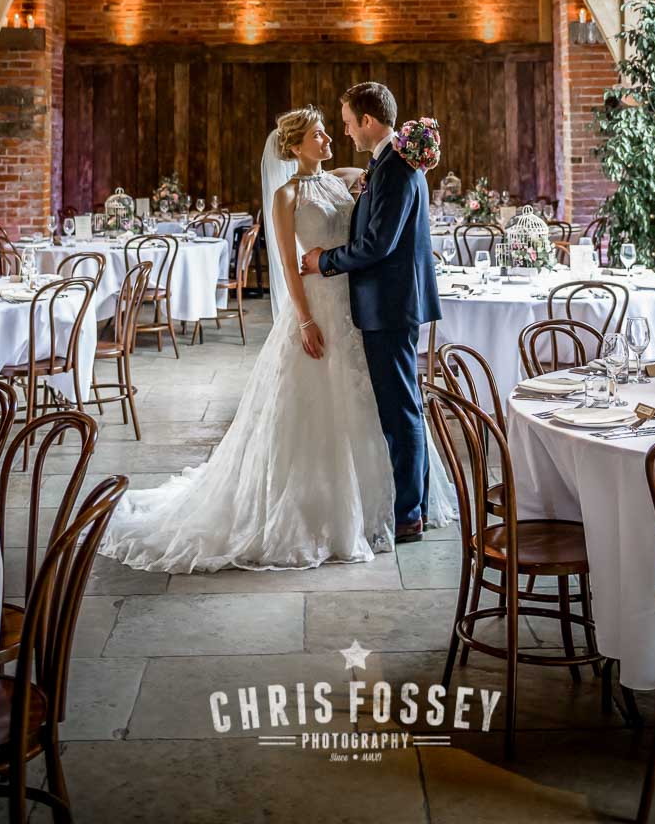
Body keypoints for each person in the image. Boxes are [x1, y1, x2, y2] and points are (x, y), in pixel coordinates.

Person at [99, 105, 450, 572]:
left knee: (369, 406)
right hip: (319, 306)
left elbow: (377, 188)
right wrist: (304, 320)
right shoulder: (286, 196)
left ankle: (381, 502)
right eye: (319, 134)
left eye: (331, 129)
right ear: (294, 146)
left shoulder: (345, 177)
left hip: (357, 308)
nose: (330, 139)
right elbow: (288, 266)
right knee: (318, 408)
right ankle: (323, 509)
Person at [302, 81, 441, 543]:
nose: (344, 132)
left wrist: (324, 260)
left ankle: (409, 513)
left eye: (347, 123)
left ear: (367, 120)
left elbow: (377, 245)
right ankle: (410, 505)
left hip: (390, 305)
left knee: (402, 411)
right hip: (387, 304)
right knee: (401, 407)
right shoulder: (386, 164)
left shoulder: (397, 167)